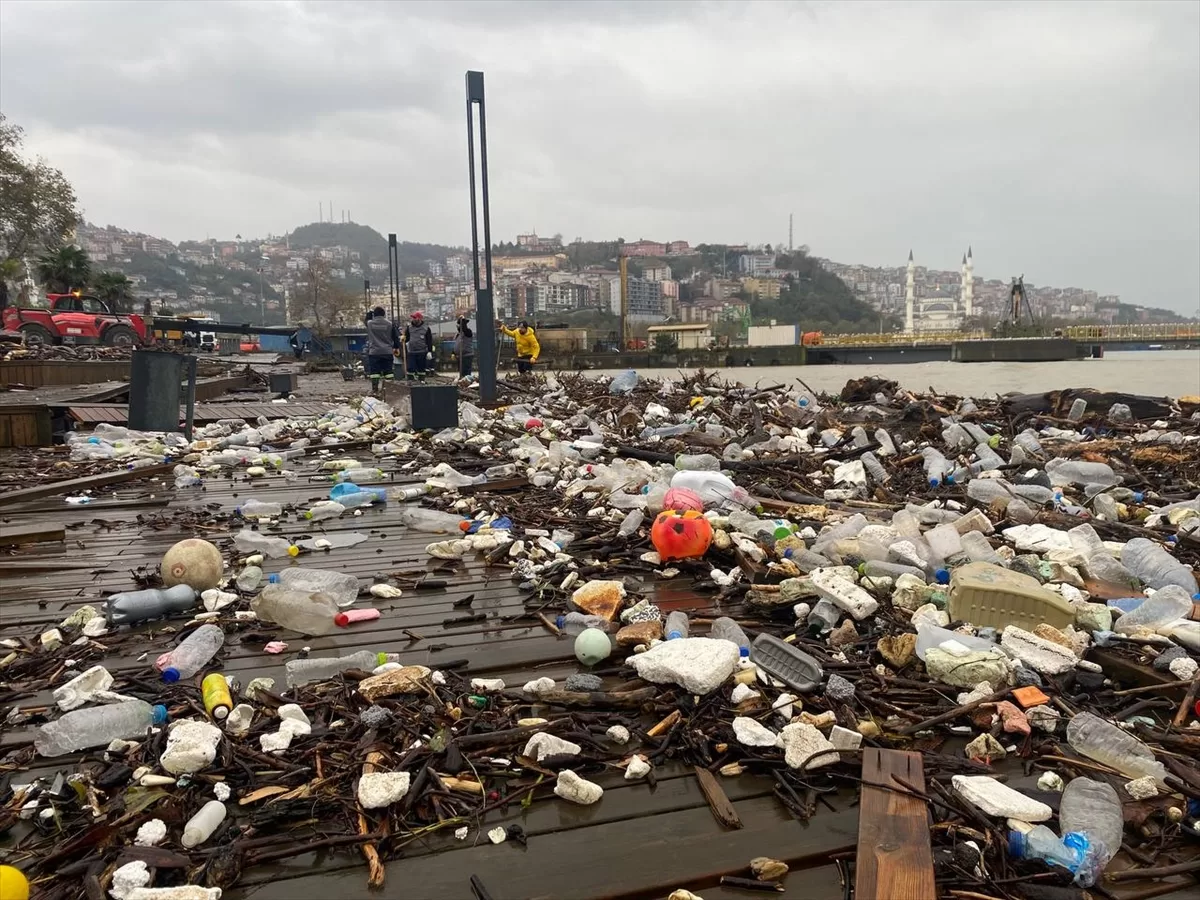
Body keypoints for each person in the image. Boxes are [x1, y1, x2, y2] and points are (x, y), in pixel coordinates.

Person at [365, 306, 400, 395]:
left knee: (375, 372)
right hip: (387, 351)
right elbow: (395, 337)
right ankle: (389, 389)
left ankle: (375, 389)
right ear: (384, 314)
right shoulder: (389, 324)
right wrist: (396, 347)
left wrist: (369, 313)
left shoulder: (370, 323)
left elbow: (366, 320)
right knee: (388, 372)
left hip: (374, 352)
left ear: (374, 314)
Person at [403, 311, 434, 380]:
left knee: (421, 369)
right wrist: (403, 339)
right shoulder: (409, 328)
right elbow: (406, 338)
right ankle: (410, 381)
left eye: (415, 317)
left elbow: (429, 340)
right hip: (411, 352)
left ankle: (421, 381)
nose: (413, 319)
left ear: (420, 318)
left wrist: (429, 351)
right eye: (413, 318)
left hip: (422, 352)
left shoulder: (426, 328)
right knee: (410, 368)